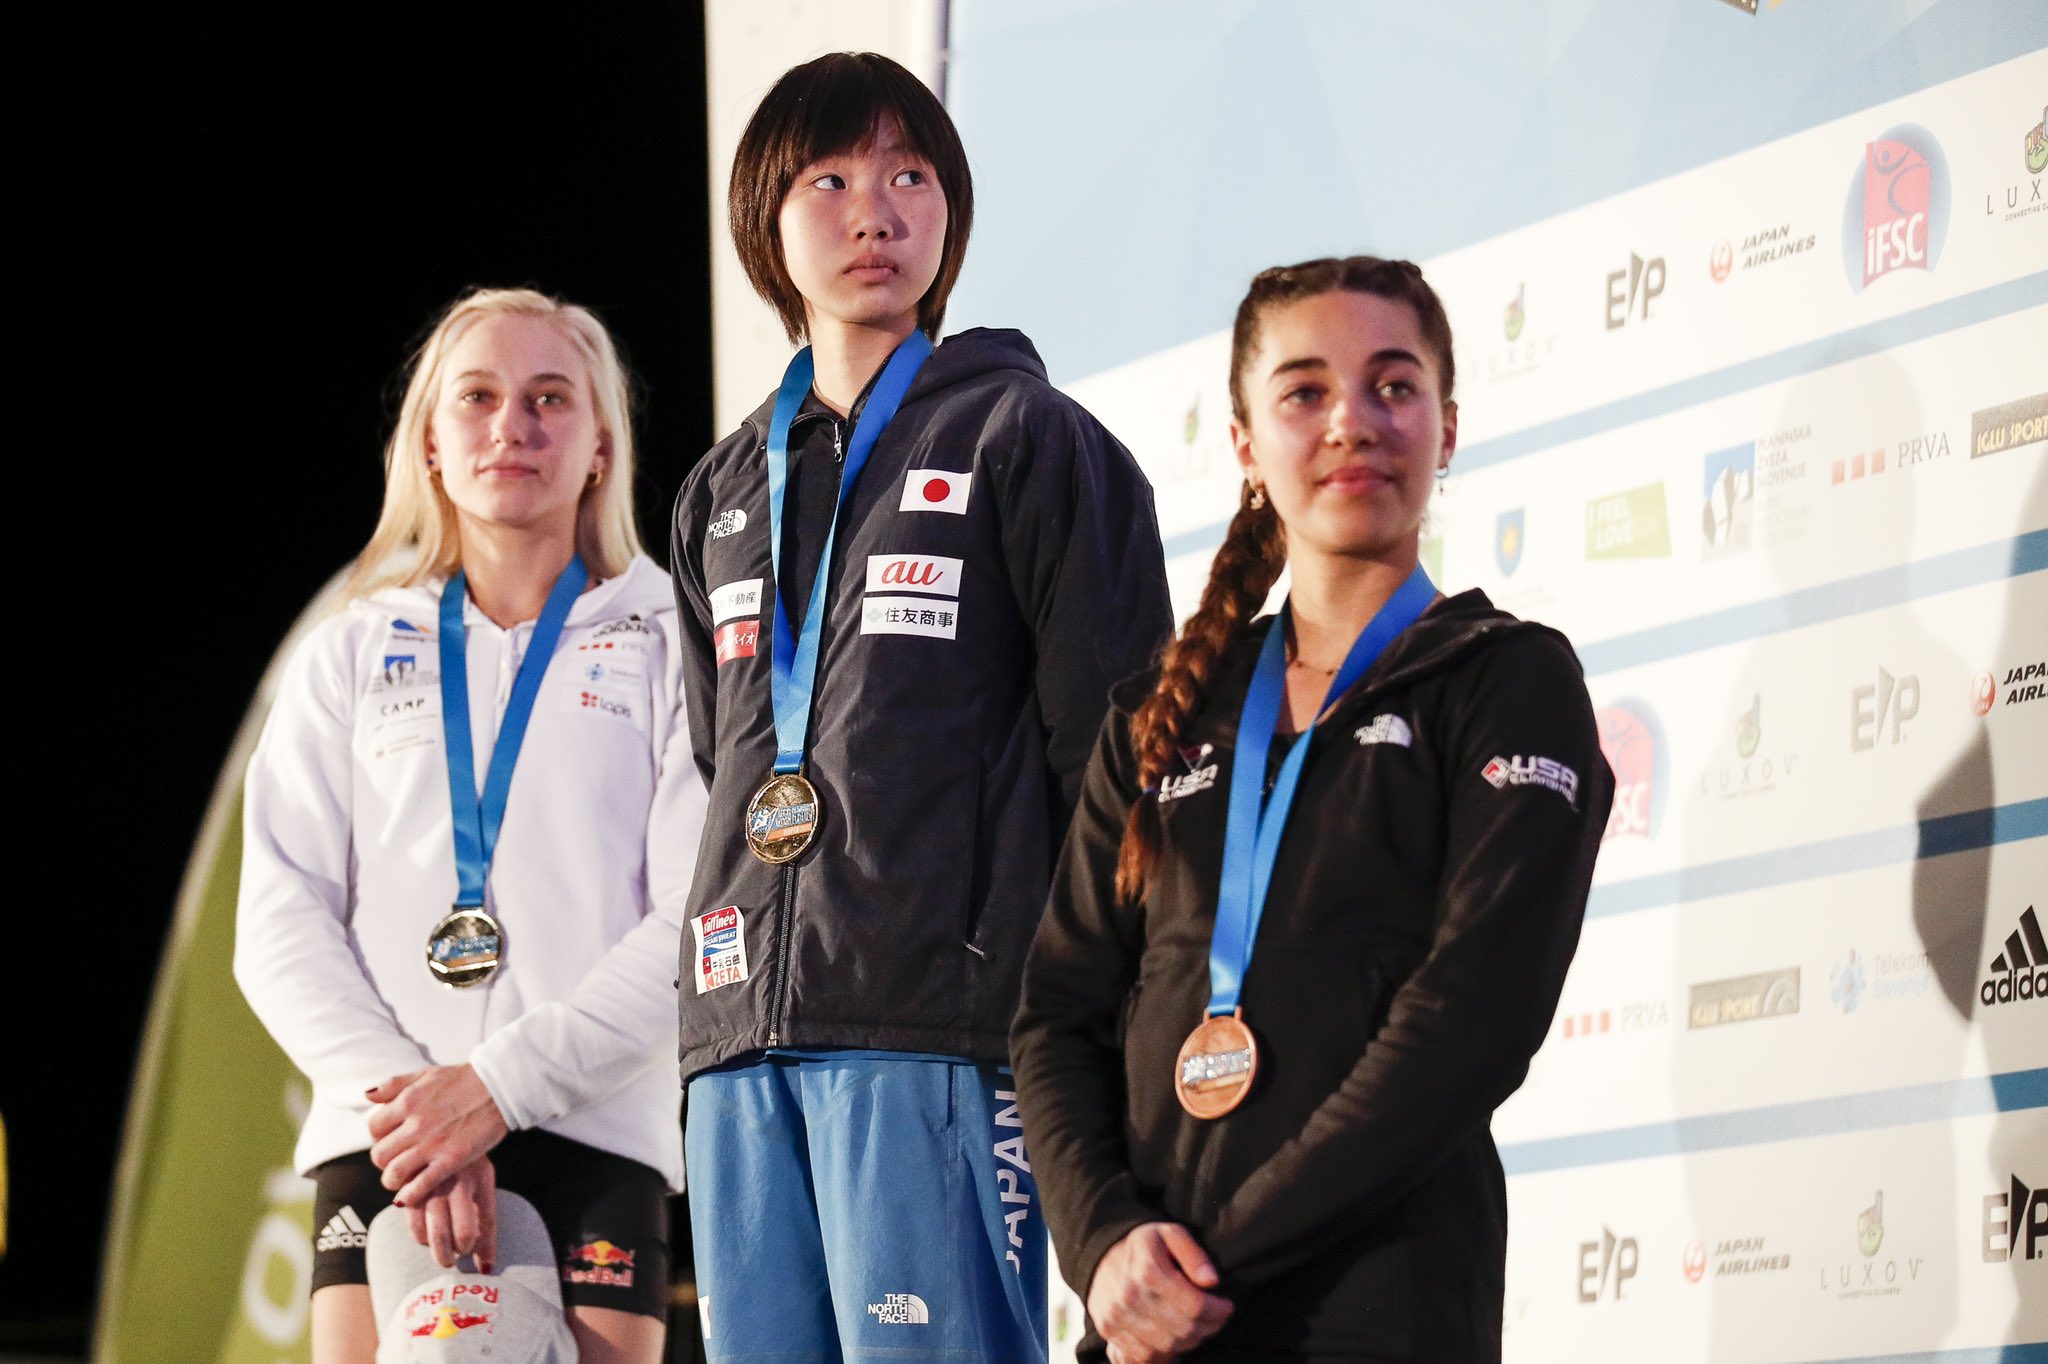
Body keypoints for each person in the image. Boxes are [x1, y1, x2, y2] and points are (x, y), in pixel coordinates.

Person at [1009, 257, 1614, 1363]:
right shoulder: (1159, 711)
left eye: (1393, 385)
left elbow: (1470, 1016)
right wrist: (1104, 1246)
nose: (1351, 422)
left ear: (1446, 425)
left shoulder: (1504, 679)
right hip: (1152, 1317)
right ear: (1242, 440)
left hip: (1374, 1306)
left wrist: (1201, 1263)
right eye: (1302, 392)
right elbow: (1055, 1015)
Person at [667, 51, 1173, 1363]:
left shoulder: (1032, 439)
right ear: (768, 225)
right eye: (830, 180)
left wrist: (1103, 1037)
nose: (874, 212)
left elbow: (1122, 768)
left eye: (909, 176)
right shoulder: (719, 492)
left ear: (948, 213)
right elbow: (722, 766)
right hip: (738, 1046)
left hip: (942, 1036)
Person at [235, 287, 704, 1364]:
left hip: (591, 1129)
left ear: (598, 445)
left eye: (550, 398)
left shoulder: (666, 639)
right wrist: (417, 1114)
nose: (513, 425)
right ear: (432, 444)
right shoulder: (349, 652)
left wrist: (495, 1090)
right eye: (479, 398)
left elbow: (694, 920)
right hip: (386, 1144)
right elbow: (277, 918)